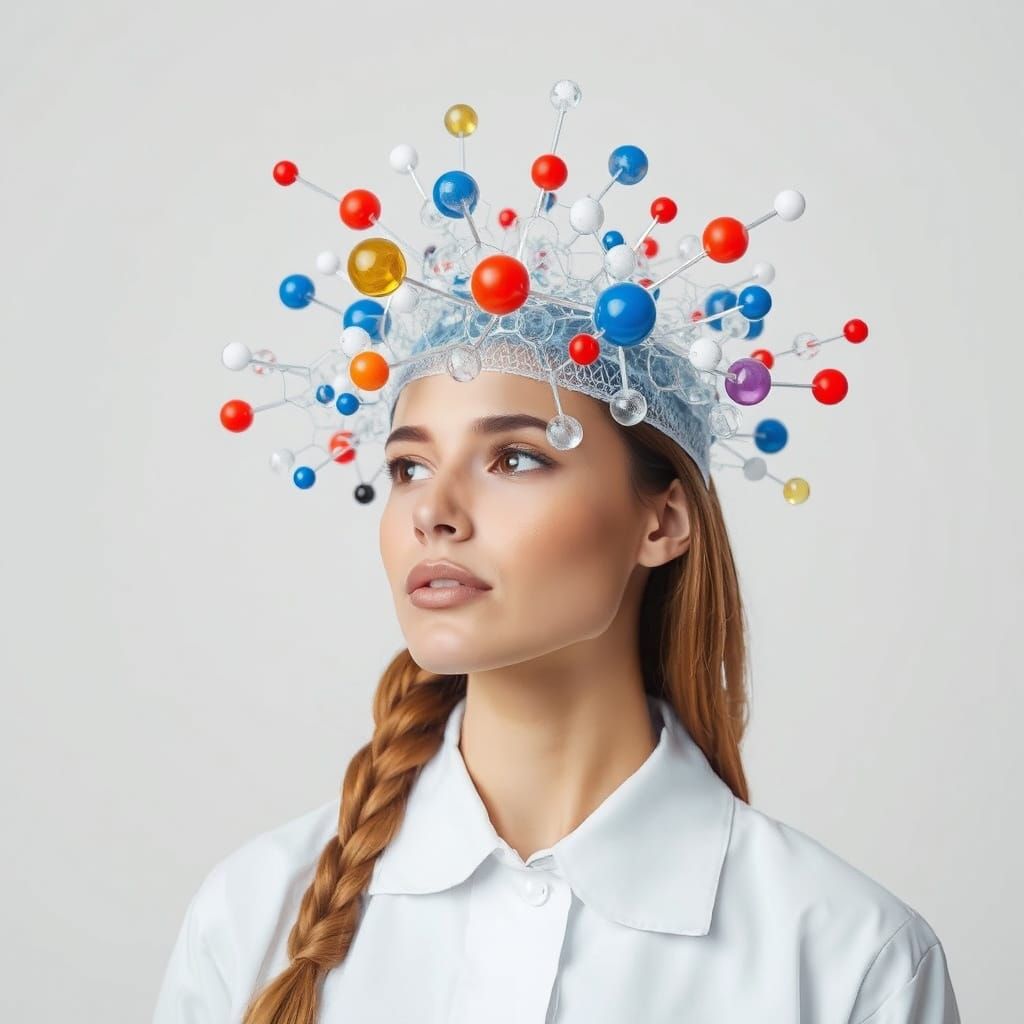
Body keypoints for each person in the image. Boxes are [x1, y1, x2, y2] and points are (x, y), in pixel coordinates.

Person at [154, 361, 961, 1022]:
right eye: (409, 467)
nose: (433, 511)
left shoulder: (855, 959)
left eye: (515, 458)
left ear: (662, 522)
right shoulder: (251, 913)